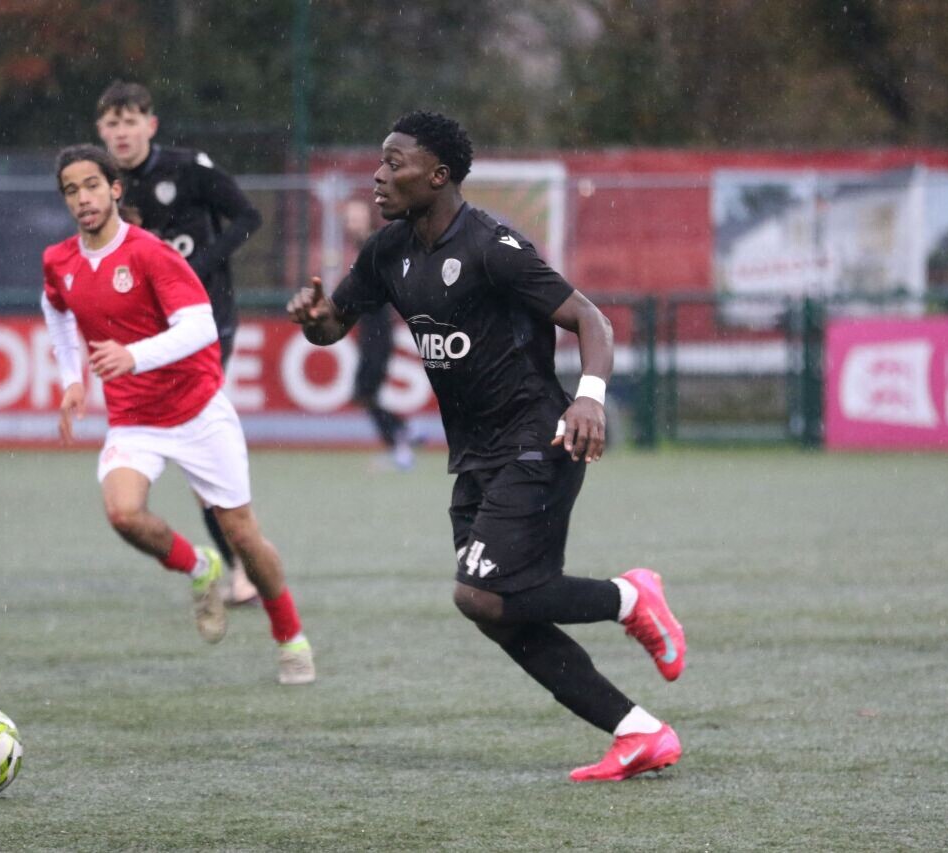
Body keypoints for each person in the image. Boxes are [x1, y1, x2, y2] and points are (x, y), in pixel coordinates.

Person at [286, 111, 685, 780]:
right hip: (474, 456)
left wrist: (589, 395)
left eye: (395, 162)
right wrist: (313, 317)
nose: (379, 175)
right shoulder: (388, 250)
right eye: (380, 161)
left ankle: (629, 597)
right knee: (497, 608)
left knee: (480, 593)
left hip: (540, 438)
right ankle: (637, 730)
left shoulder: (493, 246)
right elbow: (333, 325)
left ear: (438, 176)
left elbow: (591, 318)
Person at [41, 143, 315, 686]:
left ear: (115, 189)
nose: (83, 198)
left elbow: (200, 328)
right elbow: (55, 308)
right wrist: (73, 379)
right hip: (134, 421)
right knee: (123, 514)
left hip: (196, 411)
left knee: (243, 535)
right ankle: (197, 566)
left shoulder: (150, 254)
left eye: (92, 185)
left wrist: (132, 355)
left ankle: (290, 635)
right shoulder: (60, 261)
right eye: (71, 190)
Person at [96, 80, 262, 605]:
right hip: (151, 337)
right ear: (101, 131)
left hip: (208, 326)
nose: (121, 132)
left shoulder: (188, 168)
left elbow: (248, 217)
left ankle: (241, 567)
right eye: (111, 124)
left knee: (198, 451)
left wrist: (198, 267)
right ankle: (231, 561)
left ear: (151, 125)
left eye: (130, 121)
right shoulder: (103, 188)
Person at [343, 198, 418, 471]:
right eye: (348, 218)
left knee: (364, 393)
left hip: (378, 334)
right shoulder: (365, 246)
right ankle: (402, 432)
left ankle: (401, 441)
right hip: (372, 334)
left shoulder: (373, 245)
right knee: (365, 393)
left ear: (367, 219)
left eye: (356, 218)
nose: (350, 224)